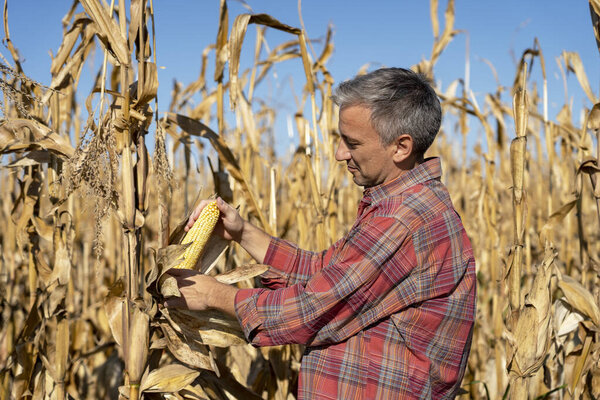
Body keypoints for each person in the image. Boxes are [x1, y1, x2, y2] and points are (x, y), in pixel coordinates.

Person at [166, 67, 477, 399]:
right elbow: (324, 275)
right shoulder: (402, 206)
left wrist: (214, 296)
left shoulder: (405, 219)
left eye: (352, 142)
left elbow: (313, 307)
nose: (340, 153)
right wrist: (243, 233)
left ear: (401, 147)